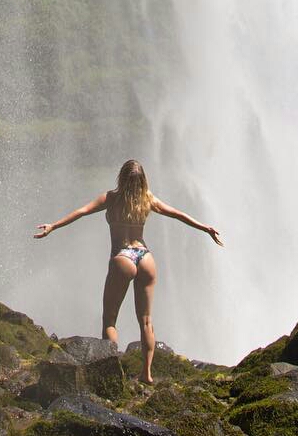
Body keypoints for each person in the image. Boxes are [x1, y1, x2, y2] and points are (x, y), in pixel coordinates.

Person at [33, 159, 222, 385]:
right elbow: (177, 214)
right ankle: (146, 374)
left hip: (123, 257)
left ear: (121, 177)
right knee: (146, 321)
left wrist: (53, 226)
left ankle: (113, 373)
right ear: (143, 180)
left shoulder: (111, 198)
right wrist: (205, 228)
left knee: (110, 320)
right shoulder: (147, 199)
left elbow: (82, 211)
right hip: (145, 257)